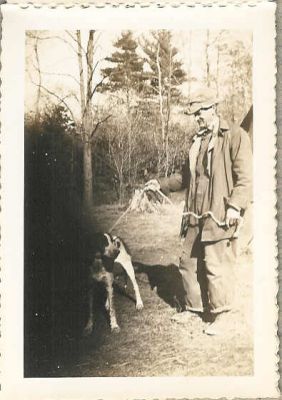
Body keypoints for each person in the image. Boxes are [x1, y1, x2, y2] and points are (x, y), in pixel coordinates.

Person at [164, 88, 252, 335]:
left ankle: (222, 315)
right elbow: (184, 177)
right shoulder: (197, 141)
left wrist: (235, 206)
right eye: (194, 113)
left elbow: (245, 178)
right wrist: (160, 184)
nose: (197, 117)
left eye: (200, 111)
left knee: (216, 264)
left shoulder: (235, 136)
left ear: (213, 108)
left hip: (219, 214)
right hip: (194, 215)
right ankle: (194, 310)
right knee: (188, 263)